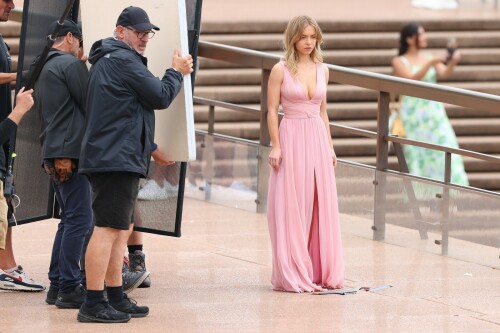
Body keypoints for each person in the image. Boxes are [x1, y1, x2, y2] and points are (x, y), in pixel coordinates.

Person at [78, 6, 193, 323]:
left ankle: (115, 296)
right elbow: (160, 95)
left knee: (119, 229)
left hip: (116, 156)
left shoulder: (110, 60)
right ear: (120, 31)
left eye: (147, 32)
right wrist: (176, 71)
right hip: (115, 158)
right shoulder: (124, 61)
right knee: (107, 229)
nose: (144, 37)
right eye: (138, 31)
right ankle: (92, 303)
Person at [266, 15, 344, 293]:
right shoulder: (281, 69)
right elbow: (271, 111)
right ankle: (293, 270)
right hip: (291, 136)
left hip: (317, 139)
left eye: (312, 37)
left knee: (318, 203)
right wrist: (276, 145)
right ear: (293, 39)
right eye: (303, 37)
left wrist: (330, 147)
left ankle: (318, 270)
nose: (308, 42)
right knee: (292, 204)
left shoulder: (323, 69)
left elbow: (323, 111)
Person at [33, 19, 93, 308]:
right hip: (71, 153)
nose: (80, 49)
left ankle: (58, 283)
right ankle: (69, 286)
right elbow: (90, 103)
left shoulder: (46, 65)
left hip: (54, 151)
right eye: (79, 43)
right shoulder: (69, 65)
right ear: (70, 38)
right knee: (81, 220)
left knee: (70, 219)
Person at [0, 0, 44, 292]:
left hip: (6, 131)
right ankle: (6, 270)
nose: (12, 5)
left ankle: (7, 267)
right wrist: (19, 77)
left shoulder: (1, 41)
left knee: (6, 199)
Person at [391, 23, 468, 185]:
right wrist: (430, 62)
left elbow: (444, 73)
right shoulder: (399, 61)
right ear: (410, 39)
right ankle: (421, 194)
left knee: (445, 143)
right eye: (421, 34)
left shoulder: (429, 57)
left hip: (434, 111)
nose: (425, 38)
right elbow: (411, 79)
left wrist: (452, 62)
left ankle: (451, 187)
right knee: (418, 152)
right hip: (413, 113)